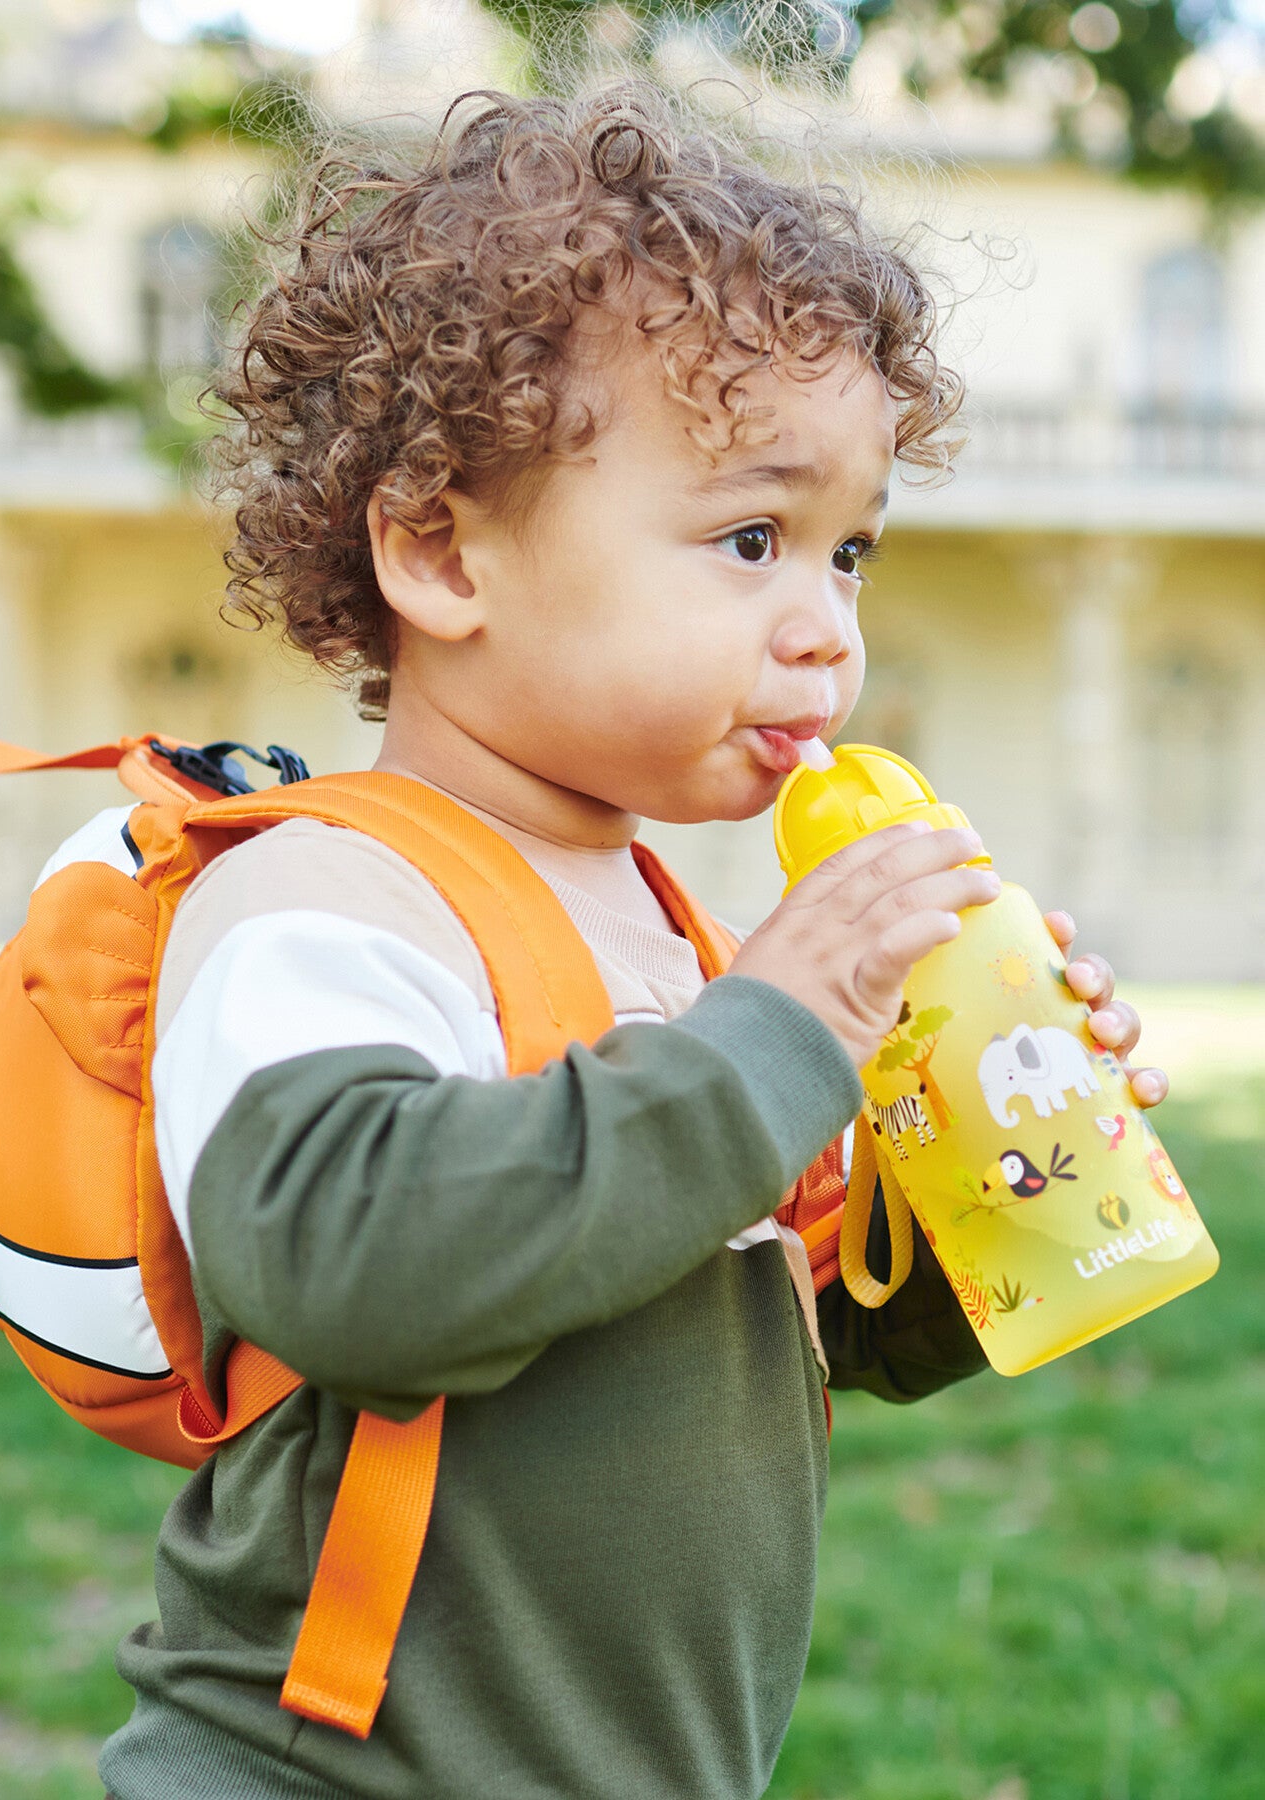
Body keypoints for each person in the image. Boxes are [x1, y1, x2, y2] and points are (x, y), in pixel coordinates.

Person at [98, 85, 1164, 1800]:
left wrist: (999, 1168)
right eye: (752, 540)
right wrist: (773, 1034)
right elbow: (345, 1263)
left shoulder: (679, 932)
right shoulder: (323, 895)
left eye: (851, 555)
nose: (825, 633)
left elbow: (781, 1306)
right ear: (440, 549)